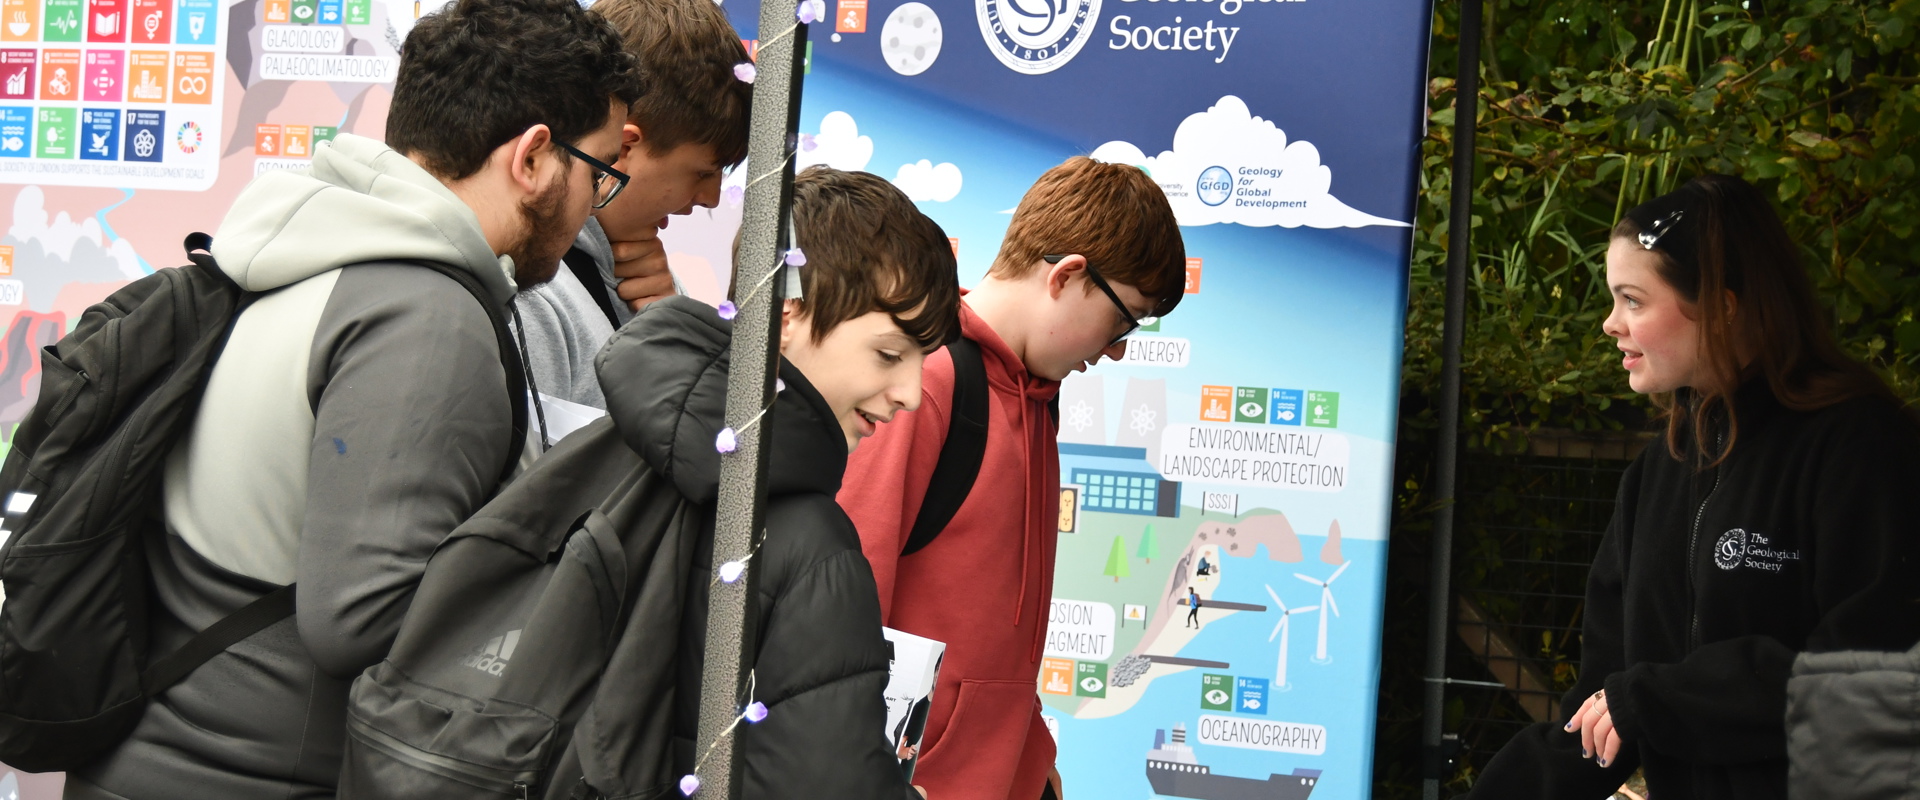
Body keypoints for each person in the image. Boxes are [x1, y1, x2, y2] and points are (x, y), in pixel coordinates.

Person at [62, 1, 642, 797]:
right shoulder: (424, 319)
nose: (595, 202)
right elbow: (361, 621)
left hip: (155, 759)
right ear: (534, 157)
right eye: (599, 171)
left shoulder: (316, 252)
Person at [1463, 175, 1920, 800]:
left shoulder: (1859, 446)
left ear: (1722, 306)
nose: (1610, 324)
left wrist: (1658, 699)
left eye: (1632, 300)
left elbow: (1870, 667)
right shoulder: (1657, 473)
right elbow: (1602, 707)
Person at [599, 166, 957, 796]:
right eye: (889, 353)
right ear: (788, 313)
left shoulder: (608, 450)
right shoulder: (812, 543)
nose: (909, 392)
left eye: (922, 360)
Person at [837, 156, 1187, 800]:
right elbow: (843, 607)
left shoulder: (1037, 399)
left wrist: (1031, 750)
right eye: (1123, 320)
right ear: (1068, 275)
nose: (1117, 350)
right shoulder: (927, 381)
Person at [514, 0, 749, 413]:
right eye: (702, 172)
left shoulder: (659, 287)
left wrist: (673, 325)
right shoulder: (529, 291)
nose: (711, 198)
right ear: (621, 149)